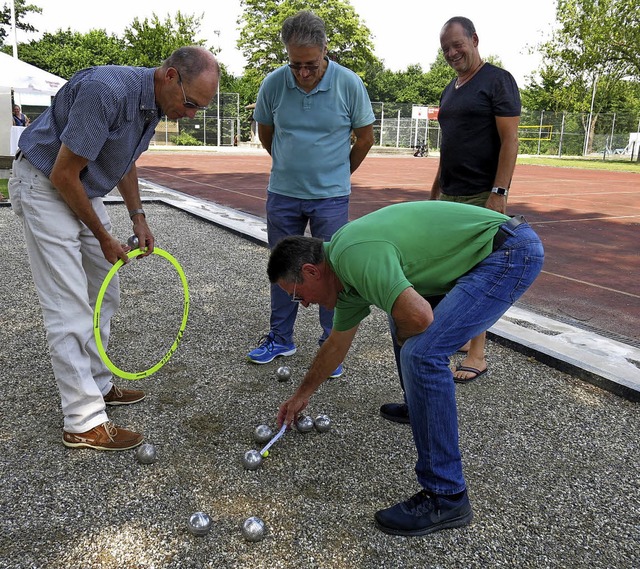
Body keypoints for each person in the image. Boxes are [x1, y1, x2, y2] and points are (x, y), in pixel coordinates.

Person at [270, 200, 544, 536]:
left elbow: (418, 318)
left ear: (312, 272)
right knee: (401, 319)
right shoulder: (345, 278)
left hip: (507, 253)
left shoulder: (353, 255)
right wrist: (301, 395)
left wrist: (405, 331)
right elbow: (335, 345)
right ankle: (420, 407)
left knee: (421, 353)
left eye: (298, 295)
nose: (306, 304)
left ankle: (447, 497)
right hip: (486, 250)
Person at [8, 46, 219, 451]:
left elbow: (124, 160)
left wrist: (138, 216)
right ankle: (82, 419)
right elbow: (62, 173)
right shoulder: (105, 91)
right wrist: (104, 237)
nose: (191, 114)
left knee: (106, 287)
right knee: (67, 303)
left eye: (200, 109)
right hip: (45, 184)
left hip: (79, 186)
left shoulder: (154, 103)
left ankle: (99, 384)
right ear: (170, 76)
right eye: (191, 104)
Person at [247, 10, 375, 378]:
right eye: (295, 65)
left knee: (331, 271)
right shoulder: (273, 84)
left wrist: (338, 174)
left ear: (325, 51)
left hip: (331, 198)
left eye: (311, 64)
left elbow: (365, 139)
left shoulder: (349, 84)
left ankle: (328, 344)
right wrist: (288, 165)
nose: (303, 73)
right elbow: (266, 132)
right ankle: (280, 337)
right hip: (283, 194)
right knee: (282, 269)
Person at [427, 16, 522, 389]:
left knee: (475, 274)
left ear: (474, 39)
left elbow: (511, 140)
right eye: (446, 49)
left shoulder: (498, 80)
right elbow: (447, 148)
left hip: (480, 195)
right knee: (449, 272)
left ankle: (477, 355)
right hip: (450, 193)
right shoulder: (450, 89)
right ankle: (464, 334)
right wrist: (434, 192)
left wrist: (498, 194)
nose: (452, 53)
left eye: (457, 45)